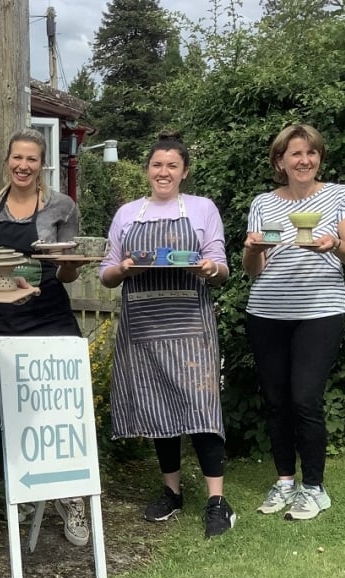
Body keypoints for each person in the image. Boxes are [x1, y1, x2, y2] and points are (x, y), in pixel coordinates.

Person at [99, 131, 235, 539]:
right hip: (143, 326)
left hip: (190, 326)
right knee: (159, 410)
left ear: (184, 172)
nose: (164, 172)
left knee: (202, 406)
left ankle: (217, 502)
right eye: (157, 165)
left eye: (172, 166)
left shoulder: (201, 209)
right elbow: (106, 274)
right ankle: (171, 492)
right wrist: (123, 270)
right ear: (147, 171)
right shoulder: (127, 214)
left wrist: (208, 270)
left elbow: (221, 267)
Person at [0, 128, 90, 548]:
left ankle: (71, 497)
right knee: (3, 410)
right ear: (8, 161)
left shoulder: (61, 206)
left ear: (42, 165)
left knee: (63, 406)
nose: (23, 166)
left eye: (32, 159)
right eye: (17, 158)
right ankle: (12, 496)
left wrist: (72, 265)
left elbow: (69, 267)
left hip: (49, 314)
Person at [242, 123, 345, 520]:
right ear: (280, 161)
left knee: (305, 400)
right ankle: (284, 482)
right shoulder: (263, 203)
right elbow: (253, 270)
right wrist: (252, 248)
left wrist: (336, 244)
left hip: (320, 312)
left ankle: (314, 488)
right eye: (295, 153)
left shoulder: (339, 196)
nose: (304, 160)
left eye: (311, 153)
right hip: (266, 312)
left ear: (319, 159)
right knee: (277, 402)